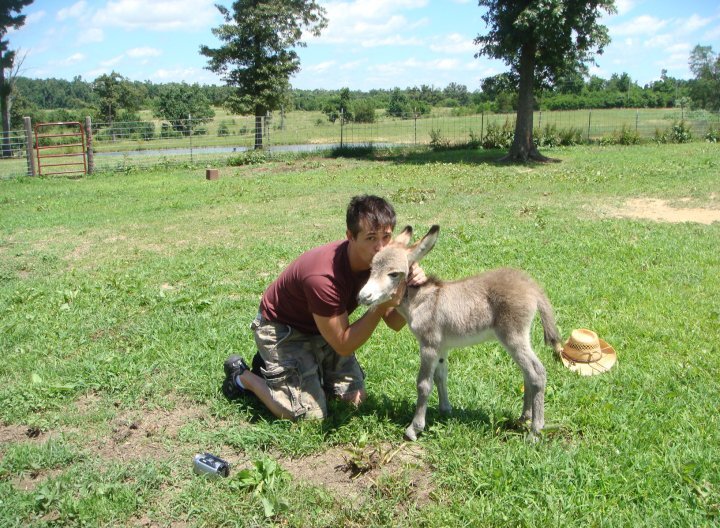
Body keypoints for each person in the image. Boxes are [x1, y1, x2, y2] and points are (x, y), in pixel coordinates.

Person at [222, 195, 426, 420]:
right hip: (283, 330)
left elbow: (395, 322)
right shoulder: (323, 277)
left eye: (386, 237)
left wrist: (410, 286)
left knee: (354, 401)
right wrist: (378, 308)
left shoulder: (379, 264)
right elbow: (344, 344)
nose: (380, 247)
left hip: (323, 329)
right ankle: (245, 376)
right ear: (350, 236)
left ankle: (297, 370)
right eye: (370, 238)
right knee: (309, 417)